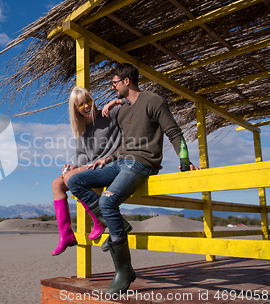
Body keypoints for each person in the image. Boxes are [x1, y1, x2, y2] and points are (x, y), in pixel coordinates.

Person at [67, 63, 199, 294]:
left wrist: (185, 159)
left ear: (126, 81)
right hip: (120, 162)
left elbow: (174, 132)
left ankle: (124, 270)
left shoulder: (153, 101)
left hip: (141, 163)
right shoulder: (124, 110)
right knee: (74, 181)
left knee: (108, 201)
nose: (113, 88)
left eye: (114, 83)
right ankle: (118, 225)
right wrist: (106, 160)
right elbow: (122, 144)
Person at [52, 86, 126, 256]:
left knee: (71, 178)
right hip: (91, 166)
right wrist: (73, 166)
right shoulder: (80, 128)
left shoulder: (109, 114)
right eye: (80, 105)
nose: (86, 106)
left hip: (109, 164)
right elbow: (82, 158)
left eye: (88, 101)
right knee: (57, 183)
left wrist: (116, 101)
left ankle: (98, 220)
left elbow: (134, 102)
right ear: (75, 109)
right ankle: (66, 235)